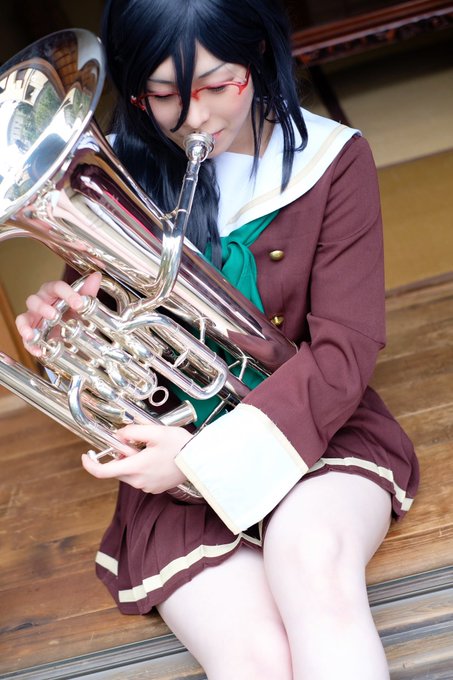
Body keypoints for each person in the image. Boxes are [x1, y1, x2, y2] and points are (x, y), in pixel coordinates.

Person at [16, 0, 419, 677]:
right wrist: (66, 330)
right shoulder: (109, 175)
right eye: (163, 95)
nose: (194, 118)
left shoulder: (331, 161)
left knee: (312, 567)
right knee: (252, 657)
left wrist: (207, 461)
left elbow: (343, 354)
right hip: (170, 465)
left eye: (216, 86)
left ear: (258, 54)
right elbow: (115, 346)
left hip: (314, 430)